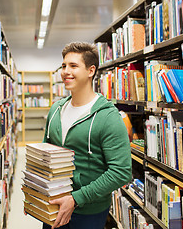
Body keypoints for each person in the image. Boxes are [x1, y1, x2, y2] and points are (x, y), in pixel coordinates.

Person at [42, 42, 132, 229]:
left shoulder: (108, 117)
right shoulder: (55, 110)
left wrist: (76, 199)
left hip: (88, 211)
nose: (66, 71)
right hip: (53, 205)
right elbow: (45, 154)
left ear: (91, 71)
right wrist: (36, 191)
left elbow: (121, 172)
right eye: (64, 65)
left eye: (73, 66)